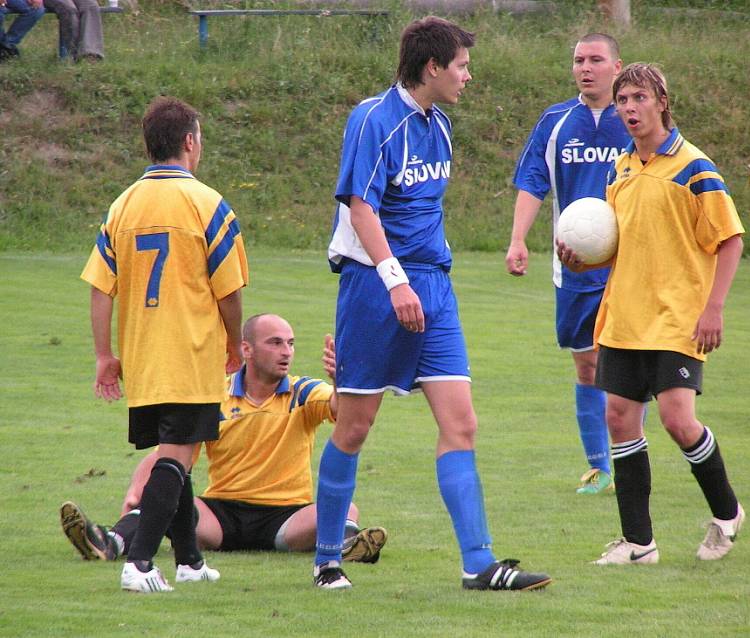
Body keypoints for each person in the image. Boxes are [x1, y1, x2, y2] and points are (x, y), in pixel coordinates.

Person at [320, 16, 551, 591]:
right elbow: (361, 208)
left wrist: (424, 282)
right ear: (432, 67)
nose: (468, 76)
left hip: (435, 287)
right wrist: (396, 281)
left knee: (461, 422)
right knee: (354, 426)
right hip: (376, 286)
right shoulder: (373, 119)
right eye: (462, 66)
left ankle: (479, 563)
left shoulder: (441, 125)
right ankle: (327, 560)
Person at [558, 63, 745, 564]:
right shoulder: (619, 169)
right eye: (623, 101)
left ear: (662, 101)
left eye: (640, 98)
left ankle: (728, 514)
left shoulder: (694, 166)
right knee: (619, 419)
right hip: (624, 315)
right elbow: (618, 242)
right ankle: (639, 543)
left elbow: (731, 240)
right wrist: (582, 255)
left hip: (678, 317)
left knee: (678, 420)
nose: (630, 108)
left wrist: (714, 308)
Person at [80, 96, 249, 592]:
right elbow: (230, 291)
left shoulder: (123, 204)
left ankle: (190, 561)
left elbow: (99, 287)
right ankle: (139, 563)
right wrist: (235, 344)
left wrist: (104, 355)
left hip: (143, 354)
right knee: (176, 456)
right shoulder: (207, 203)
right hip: (190, 350)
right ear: (190, 142)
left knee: (181, 449)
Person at [60, 314, 388, 564]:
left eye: (290, 343)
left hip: (287, 516)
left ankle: (348, 547)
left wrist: (342, 383)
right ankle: (109, 542)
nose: (286, 351)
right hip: (220, 517)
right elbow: (171, 454)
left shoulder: (303, 392)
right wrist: (139, 490)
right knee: (167, 499)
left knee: (347, 507)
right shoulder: (214, 395)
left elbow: (341, 412)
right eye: (274, 342)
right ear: (246, 348)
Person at [505, 33, 630, 495]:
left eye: (596, 59)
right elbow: (534, 180)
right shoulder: (556, 121)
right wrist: (518, 240)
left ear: (616, 67)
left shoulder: (634, 119)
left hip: (631, 267)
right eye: (579, 60)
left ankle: (629, 451)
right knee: (587, 366)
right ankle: (600, 468)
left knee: (630, 363)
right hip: (575, 267)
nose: (585, 67)